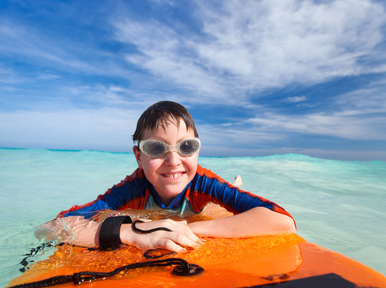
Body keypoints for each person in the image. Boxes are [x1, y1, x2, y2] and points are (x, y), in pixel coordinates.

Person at [37, 101, 296, 253]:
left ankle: (235, 183)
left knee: (225, 198)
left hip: (194, 211)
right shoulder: (132, 189)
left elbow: (282, 221)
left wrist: (190, 228)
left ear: (197, 150)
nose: (174, 161)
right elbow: (52, 227)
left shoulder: (203, 183)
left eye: (186, 147)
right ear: (139, 157)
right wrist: (132, 232)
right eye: (156, 148)